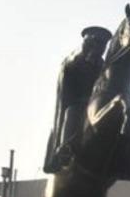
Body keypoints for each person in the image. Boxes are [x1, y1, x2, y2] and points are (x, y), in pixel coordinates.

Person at [43, 26, 112, 173]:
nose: (101, 50)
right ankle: (64, 149)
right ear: (89, 44)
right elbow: (66, 90)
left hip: (96, 104)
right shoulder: (73, 61)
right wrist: (83, 99)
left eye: (103, 46)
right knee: (72, 113)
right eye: (98, 45)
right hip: (76, 103)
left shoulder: (102, 65)